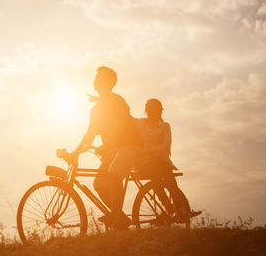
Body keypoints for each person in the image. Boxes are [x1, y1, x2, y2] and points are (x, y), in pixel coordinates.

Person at [67, 66, 141, 228]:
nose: (95, 79)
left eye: (98, 77)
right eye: (95, 77)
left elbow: (121, 126)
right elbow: (90, 134)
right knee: (99, 184)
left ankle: (115, 214)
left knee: (113, 174)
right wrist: (75, 153)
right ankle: (120, 218)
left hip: (130, 147)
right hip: (113, 151)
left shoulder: (117, 101)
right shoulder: (96, 109)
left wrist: (107, 144)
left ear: (108, 82)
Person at [135, 98, 196, 221]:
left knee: (167, 177)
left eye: (158, 110)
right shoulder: (139, 124)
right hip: (145, 163)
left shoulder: (165, 126)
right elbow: (125, 117)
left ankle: (178, 208)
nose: (156, 112)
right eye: (153, 110)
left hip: (161, 162)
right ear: (147, 111)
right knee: (162, 175)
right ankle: (171, 206)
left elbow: (166, 145)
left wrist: (150, 149)